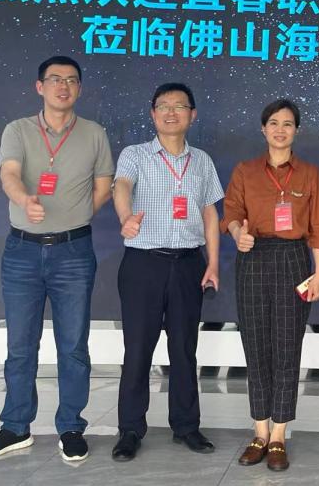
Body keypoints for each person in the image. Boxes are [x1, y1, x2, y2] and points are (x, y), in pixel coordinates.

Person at [0, 56, 114, 463]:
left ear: (79, 88)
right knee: (20, 345)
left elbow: (103, 185)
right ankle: (15, 427)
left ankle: (71, 427)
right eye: (55, 79)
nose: (63, 86)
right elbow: (9, 174)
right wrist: (25, 200)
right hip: (23, 251)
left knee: (73, 346)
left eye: (71, 80)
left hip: (74, 251)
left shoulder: (94, 133)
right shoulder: (17, 130)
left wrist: (76, 215)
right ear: (40, 87)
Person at [109, 82, 224, 462]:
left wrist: (212, 262)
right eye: (163, 106)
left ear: (192, 114)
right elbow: (121, 186)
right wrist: (126, 217)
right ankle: (130, 429)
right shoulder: (135, 154)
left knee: (184, 349)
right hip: (144, 263)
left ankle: (187, 426)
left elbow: (210, 213)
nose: (171, 112)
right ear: (152, 114)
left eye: (179, 106)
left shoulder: (202, 161)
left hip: (189, 263)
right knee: (138, 349)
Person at [221, 99, 319, 472]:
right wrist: (238, 233)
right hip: (253, 257)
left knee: (286, 347)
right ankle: (259, 432)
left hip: (294, 259)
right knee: (256, 347)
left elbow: (318, 227)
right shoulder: (246, 171)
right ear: (263, 129)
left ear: (296, 130)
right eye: (273, 123)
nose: (280, 130)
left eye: (287, 124)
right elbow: (232, 212)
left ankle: (280, 435)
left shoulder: (309, 174)